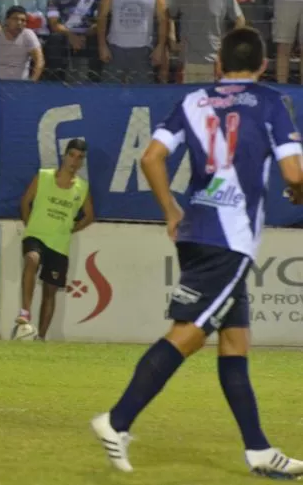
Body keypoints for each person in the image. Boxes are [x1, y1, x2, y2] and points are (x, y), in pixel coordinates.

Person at [91, 27, 303, 478]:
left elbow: (150, 157)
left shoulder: (193, 100)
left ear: (219, 64)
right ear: (263, 65)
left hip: (195, 229)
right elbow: (294, 171)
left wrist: (171, 210)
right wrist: (297, 191)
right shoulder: (271, 102)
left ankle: (260, 451)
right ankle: (117, 419)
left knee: (234, 343)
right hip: (229, 239)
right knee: (189, 334)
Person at [14, 139, 93, 341]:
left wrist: (71, 229)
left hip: (59, 244)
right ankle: (25, 312)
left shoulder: (82, 188)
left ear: (82, 161)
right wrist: (29, 225)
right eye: (72, 155)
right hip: (37, 235)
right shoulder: (43, 176)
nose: (74, 161)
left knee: (50, 290)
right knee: (31, 259)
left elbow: (89, 215)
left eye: (80, 158)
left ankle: (40, 337)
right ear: (64, 156)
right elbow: (25, 202)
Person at [97, 0, 167, 83]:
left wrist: (160, 47)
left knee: (141, 97)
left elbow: (163, 20)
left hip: (143, 51)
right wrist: (102, 45)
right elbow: (102, 17)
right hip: (115, 49)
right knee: (110, 94)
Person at [168, 0, 244, 83]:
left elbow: (239, 19)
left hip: (215, 59)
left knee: (211, 100)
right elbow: (170, 16)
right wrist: (172, 39)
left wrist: (229, 45)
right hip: (188, 59)